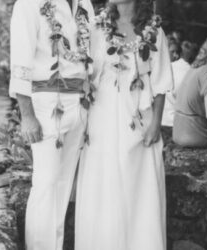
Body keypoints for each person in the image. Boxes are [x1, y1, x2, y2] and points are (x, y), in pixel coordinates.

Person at [75, 1, 173, 250]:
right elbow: (84, 72)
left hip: (139, 115)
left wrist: (156, 125)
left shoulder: (154, 30)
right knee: (103, 181)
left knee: (138, 185)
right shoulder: (96, 27)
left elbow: (161, 83)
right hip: (102, 114)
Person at [9, 0, 94, 249]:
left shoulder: (84, 4)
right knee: (46, 183)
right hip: (45, 103)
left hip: (79, 101)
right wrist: (27, 115)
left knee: (64, 185)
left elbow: (91, 52)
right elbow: (21, 63)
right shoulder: (28, 4)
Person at [162, 41, 198, 127]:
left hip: (164, 120)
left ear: (181, 53)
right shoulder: (192, 73)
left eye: (177, 52)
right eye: (172, 52)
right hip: (179, 123)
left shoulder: (169, 68)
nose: (175, 55)